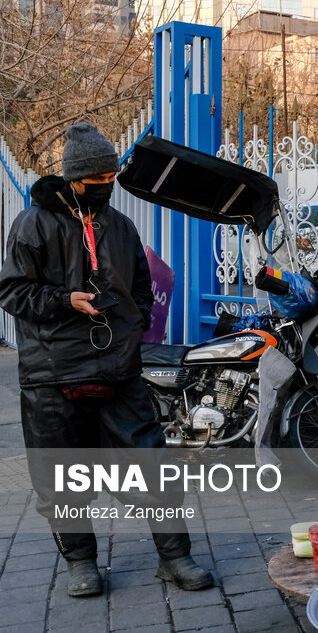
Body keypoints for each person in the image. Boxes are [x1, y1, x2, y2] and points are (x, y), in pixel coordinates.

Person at [0, 123, 213, 597]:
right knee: (61, 479)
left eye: (111, 175)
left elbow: (141, 285)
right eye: (97, 178)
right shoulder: (33, 224)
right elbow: (13, 291)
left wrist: (130, 329)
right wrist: (64, 300)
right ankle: (81, 563)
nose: (106, 184)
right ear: (74, 179)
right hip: (53, 375)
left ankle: (175, 557)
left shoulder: (120, 225)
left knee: (154, 467)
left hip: (119, 370)